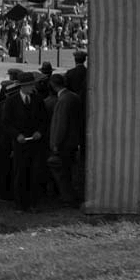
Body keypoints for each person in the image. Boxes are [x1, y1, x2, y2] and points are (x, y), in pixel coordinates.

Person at [0, 72, 48, 212]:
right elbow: (5, 123)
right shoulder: (12, 101)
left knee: (35, 173)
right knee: (20, 173)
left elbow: (44, 120)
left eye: (33, 85)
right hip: (20, 143)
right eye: (30, 85)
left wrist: (40, 132)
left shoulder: (37, 100)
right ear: (23, 86)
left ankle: (33, 203)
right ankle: (20, 204)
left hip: (35, 142)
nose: (32, 87)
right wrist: (17, 135)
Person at [47, 73, 83, 205]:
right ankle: (70, 196)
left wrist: (55, 143)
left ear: (52, 85)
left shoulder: (62, 101)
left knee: (62, 173)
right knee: (69, 171)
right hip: (73, 141)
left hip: (64, 143)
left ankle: (68, 198)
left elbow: (60, 124)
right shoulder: (73, 97)